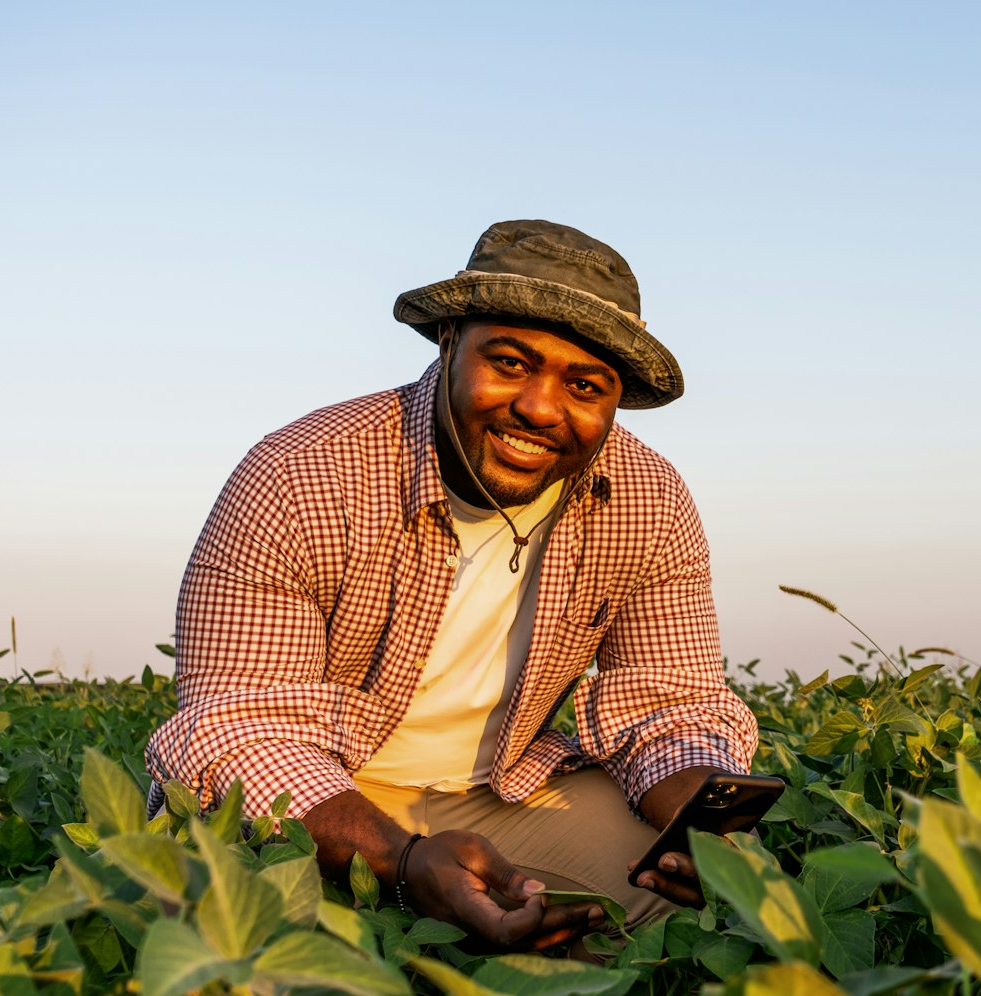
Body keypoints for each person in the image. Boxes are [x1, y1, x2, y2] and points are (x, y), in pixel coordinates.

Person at [145, 220, 757, 952]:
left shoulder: (647, 499)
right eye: (509, 362)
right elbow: (239, 730)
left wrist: (697, 815)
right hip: (332, 784)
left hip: (504, 791)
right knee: (263, 937)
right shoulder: (301, 474)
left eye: (585, 386)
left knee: (698, 901)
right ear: (449, 343)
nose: (538, 407)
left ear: (614, 402)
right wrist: (401, 861)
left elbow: (670, 700)